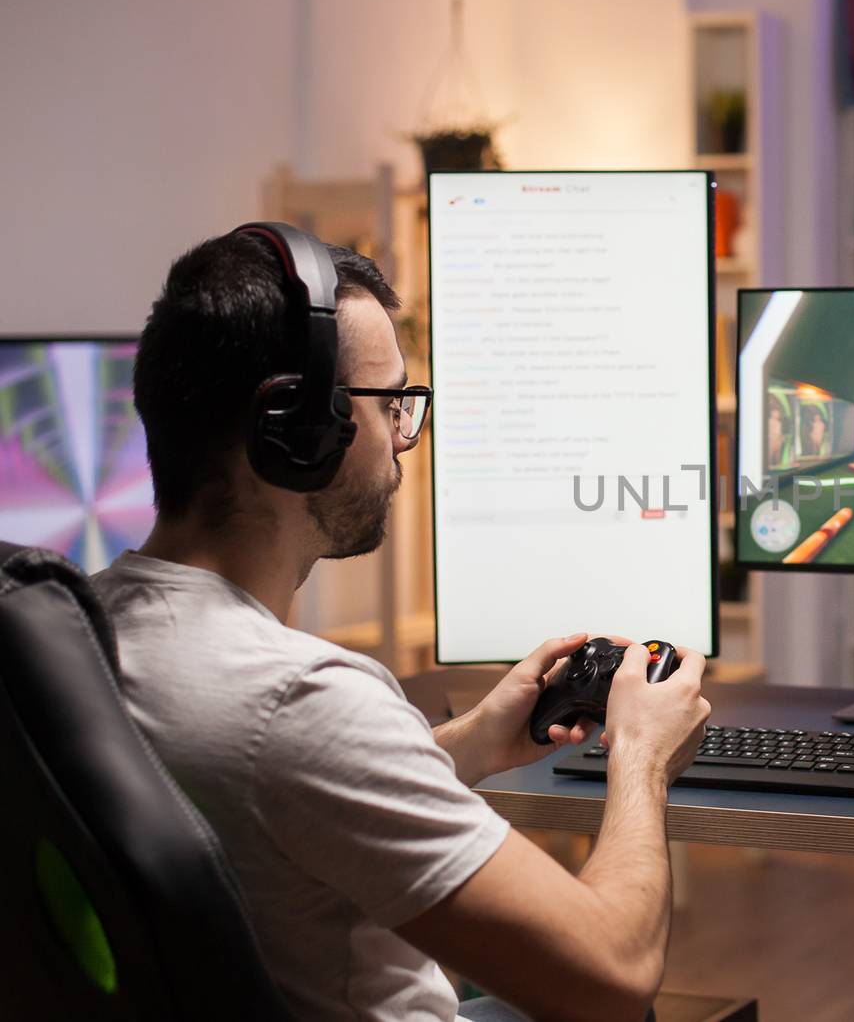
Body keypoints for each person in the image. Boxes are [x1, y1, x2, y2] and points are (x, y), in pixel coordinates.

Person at [91, 229, 710, 1022]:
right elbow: (609, 978)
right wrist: (641, 757)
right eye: (391, 405)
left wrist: (474, 739)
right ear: (296, 431)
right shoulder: (305, 698)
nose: (402, 440)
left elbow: (272, 795)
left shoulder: (79, 631)